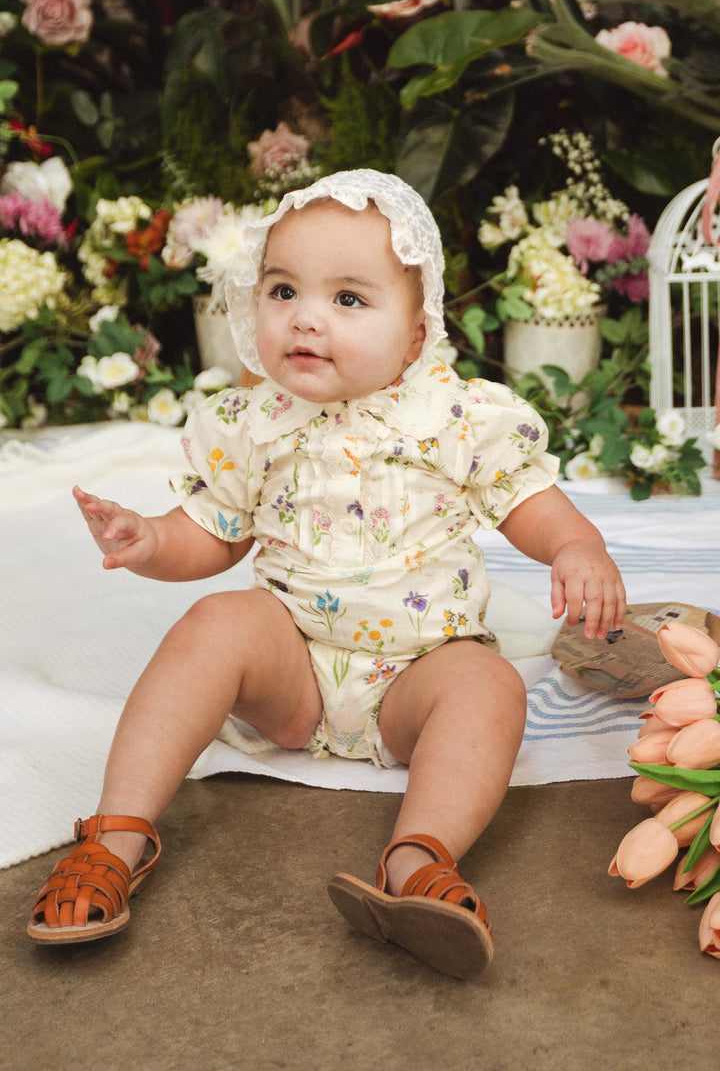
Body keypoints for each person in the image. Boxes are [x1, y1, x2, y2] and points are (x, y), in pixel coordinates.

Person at [27, 169, 625, 978]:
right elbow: (214, 532)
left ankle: (418, 862)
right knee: (215, 623)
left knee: (489, 688)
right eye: (282, 290)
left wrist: (577, 548)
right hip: (295, 672)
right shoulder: (255, 421)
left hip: (421, 672)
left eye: (348, 299)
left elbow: (531, 501)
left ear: (417, 333)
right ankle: (117, 835)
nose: (306, 317)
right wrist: (154, 541)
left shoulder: (452, 417)